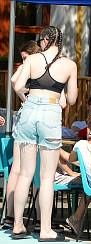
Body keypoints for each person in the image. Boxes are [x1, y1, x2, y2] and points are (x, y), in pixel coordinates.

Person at [11, 26, 78, 242]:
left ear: (46, 39)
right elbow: (72, 99)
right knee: (47, 176)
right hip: (50, 112)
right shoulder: (69, 65)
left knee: (24, 173)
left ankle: (18, 225)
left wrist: (35, 93)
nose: (39, 43)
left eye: (40, 40)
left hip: (29, 110)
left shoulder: (32, 60)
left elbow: (18, 85)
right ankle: (46, 229)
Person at [1, 39, 39, 231]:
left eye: (26, 57)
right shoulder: (40, 63)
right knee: (37, 171)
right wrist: (28, 96)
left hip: (24, 118)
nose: (24, 61)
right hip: (37, 116)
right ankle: (40, 220)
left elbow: (15, 80)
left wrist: (24, 97)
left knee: (18, 170)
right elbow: (15, 81)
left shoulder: (30, 65)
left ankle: (10, 217)